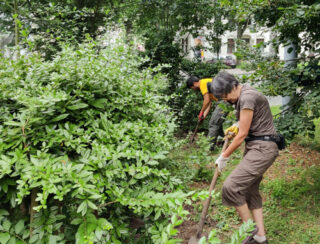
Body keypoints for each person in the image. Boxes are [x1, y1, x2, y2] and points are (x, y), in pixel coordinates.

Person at [211, 71, 279, 244]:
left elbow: (242, 135)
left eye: (226, 95)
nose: (225, 99)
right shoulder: (244, 93)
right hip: (257, 146)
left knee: (231, 187)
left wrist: (224, 156)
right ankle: (260, 238)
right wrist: (236, 125)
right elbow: (248, 122)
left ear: (234, 86)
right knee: (250, 190)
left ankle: (249, 231)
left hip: (262, 148)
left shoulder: (247, 97)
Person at [186, 76, 228, 151]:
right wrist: (203, 116)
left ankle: (209, 148)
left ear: (194, 84)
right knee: (217, 123)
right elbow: (209, 104)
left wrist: (201, 111)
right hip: (223, 101)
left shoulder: (203, 84)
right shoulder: (206, 83)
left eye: (192, 88)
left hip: (224, 101)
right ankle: (223, 141)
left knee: (213, 124)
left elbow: (206, 101)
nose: (194, 89)